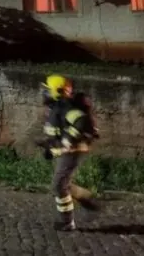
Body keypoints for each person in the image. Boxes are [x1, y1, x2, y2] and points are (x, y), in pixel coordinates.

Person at [40, 75, 100, 231]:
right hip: (68, 151)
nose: (44, 93)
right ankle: (87, 198)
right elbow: (57, 130)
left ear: (57, 91)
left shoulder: (65, 107)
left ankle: (67, 222)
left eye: (47, 90)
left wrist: (68, 140)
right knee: (62, 184)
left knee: (58, 185)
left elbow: (81, 121)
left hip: (73, 151)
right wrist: (49, 147)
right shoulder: (57, 107)